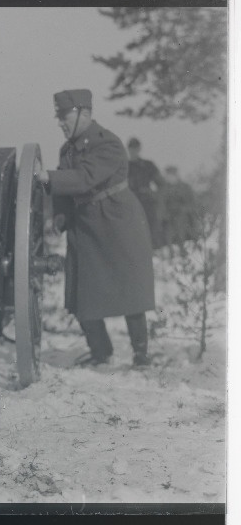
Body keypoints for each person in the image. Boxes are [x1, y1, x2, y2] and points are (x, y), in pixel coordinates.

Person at [36, 89, 155, 367]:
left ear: (84, 114)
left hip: (117, 222)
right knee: (81, 293)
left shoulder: (108, 143)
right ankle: (101, 352)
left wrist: (48, 177)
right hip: (85, 224)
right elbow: (66, 192)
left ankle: (141, 354)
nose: (61, 123)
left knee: (130, 290)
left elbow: (85, 177)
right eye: (59, 117)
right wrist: (61, 216)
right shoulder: (66, 150)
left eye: (64, 117)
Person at [127, 137, 166, 249]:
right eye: (131, 148)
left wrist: (153, 194)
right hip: (130, 203)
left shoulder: (147, 165)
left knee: (150, 232)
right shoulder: (124, 166)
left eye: (136, 148)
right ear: (128, 149)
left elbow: (162, 184)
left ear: (139, 149)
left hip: (146, 203)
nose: (133, 151)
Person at [160, 165, 199, 250]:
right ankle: (171, 253)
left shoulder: (185, 187)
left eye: (171, 175)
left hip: (184, 217)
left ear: (176, 175)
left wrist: (183, 209)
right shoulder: (164, 189)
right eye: (167, 176)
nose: (169, 178)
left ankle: (185, 250)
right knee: (168, 236)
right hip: (169, 218)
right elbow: (161, 204)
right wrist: (165, 215)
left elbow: (192, 203)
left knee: (183, 232)